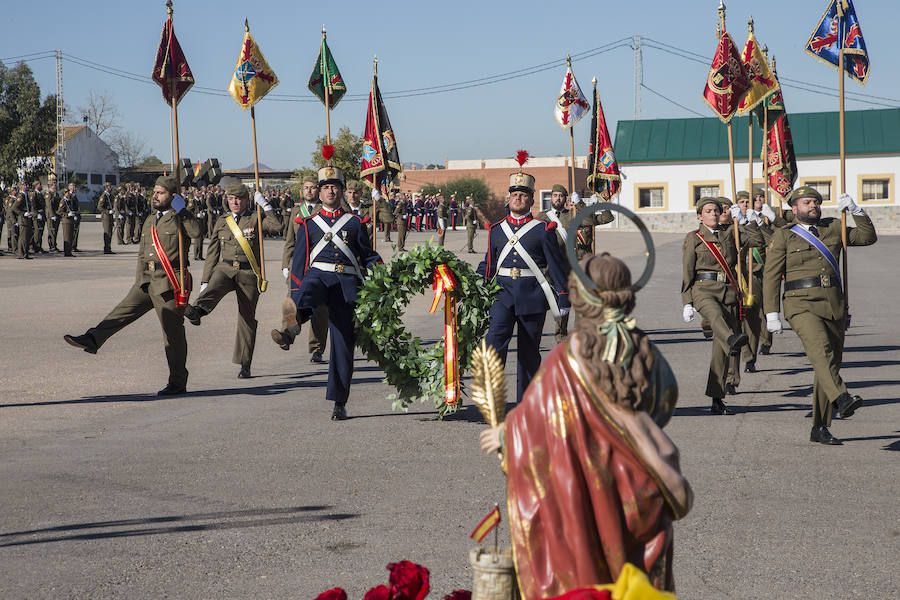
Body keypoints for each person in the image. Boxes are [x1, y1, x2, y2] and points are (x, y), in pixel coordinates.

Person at [479, 253, 692, 596]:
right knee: (634, 574)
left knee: (588, 573)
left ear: (581, 294)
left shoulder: (571, 352)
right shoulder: (642, 345)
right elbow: (666, 400)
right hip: (640, 480)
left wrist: (507, 432)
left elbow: (538, 415)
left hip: (586, 481)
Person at [63, 176, 202, 395]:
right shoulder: (150, 219)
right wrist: (138, 279)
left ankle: (177, 382)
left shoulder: (179, 217)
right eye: (154, 192)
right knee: (121, 312)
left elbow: (197, 233)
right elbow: (142, 254)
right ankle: (92, 339)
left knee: (172, 334)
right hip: (146, 280)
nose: (154, 196)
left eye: (160, 193)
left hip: (168, 283)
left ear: (172, 197)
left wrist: (182, 211)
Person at [763, 187, 877, 445]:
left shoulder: (834, 227)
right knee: (821, 351)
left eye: (816, 201)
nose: (813, 205)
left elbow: (867, 238)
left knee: (829, 364)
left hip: (834, 305)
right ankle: (842, 398)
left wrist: (857, 211)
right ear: (794, 208)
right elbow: (771, 276)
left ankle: (820, 427)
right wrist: (772, 312)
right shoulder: (783, 236)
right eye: (807, 202)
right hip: (800, 304)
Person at [271, 163, 382, 420]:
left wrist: (381, 271)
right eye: (326, 187)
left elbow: (367, 256)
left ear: (341, 191)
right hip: (319, 275)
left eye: (335, 187)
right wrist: (293, 290)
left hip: (347, 284)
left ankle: (339, 401)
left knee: (343, 344)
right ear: (318, 194)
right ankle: (291, 326)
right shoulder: (308, 224)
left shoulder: (355, 223)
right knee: (308, 287)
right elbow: (299, 263)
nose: (330, 191)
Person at [477, 167, 571, 403]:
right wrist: (472, 282)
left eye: (523, 195)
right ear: (509, 198)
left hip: (533, 298)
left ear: (531, 199)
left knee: (529, 354)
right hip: (502, 297)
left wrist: (563, 296)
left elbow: (556, 265)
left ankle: (526, 403)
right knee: (494, 346)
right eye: (514, 195)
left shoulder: (543, 229)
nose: (517, 198)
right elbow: (489, 263)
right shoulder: (496, 229)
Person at [184, 182, 281, 378]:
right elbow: (212, 253)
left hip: (249, 272)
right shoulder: (222, 221)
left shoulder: (255, 218)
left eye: (239, 198)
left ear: (247, 200)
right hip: (226, 268)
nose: (235, 202)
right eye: (231, 198)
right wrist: (205, 280)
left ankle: (245, 363)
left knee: (246, 318)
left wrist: (266, 206)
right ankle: (198, 310)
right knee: (215, 283)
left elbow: (277, 226)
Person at [681, 197, 763, 415]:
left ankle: (717, 399)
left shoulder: (731, 232)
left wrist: (746, 221)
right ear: (700, 216)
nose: (714, 214)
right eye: (708, 211)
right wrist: (687, 302)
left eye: (716, 210)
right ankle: (732, 338)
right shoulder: (694, 238)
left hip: (729, 291)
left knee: (720, 352)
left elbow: (758, 242)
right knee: (715, 317)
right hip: (704, 290)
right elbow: (687, 272)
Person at [282, 175, 328, 363]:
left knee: (319, 308)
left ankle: (316, 348)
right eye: (306, 188)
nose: (309, 191)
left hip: (319, 265)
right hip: (298, 266)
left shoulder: (325, 209)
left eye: (313, 188)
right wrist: (285, 264)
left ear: (319, 190)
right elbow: (289, 241)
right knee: (292, 301)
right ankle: (287, 335)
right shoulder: (296, 211)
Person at [13, 183, 35, 259]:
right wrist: (23, 213)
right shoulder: (21, 196)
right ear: (22, 187)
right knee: (23, 237)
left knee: (27, 237)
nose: (27, 186)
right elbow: (14, 208)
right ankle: (21, 254)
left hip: (27, 219)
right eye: (26, 185)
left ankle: (25, 253)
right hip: (23, 219)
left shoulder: (26, 195)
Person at [98, 182, 115, 254]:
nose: (111, 188)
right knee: (107, 232)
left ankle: (108, 248)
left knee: (110, 232)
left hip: (110, 216)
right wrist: (108, 212)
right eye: (109, 186)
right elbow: (99, 207)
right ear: (106, 187)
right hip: (106, 216)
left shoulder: (110, 195)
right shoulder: (104, 196)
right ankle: (106, 248)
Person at [30, 181, 47, 254]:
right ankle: (34, 247)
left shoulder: (40, 193)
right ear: (36, 186)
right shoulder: (34, 194)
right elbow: (33, 205)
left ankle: (39, 246)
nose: (41, 185)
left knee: (40, 231)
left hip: (41, 214)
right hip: (37, 215)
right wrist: (37, 214)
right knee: (36, 232)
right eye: (39, 184)